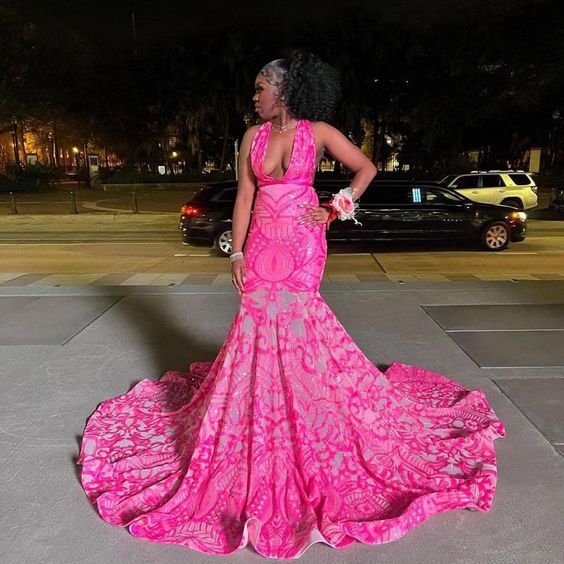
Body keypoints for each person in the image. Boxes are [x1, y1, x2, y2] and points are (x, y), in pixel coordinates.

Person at [77, 52, 505, 560]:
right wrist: (236, 252)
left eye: (260, 87)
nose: (254, 95)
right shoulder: (251, 138)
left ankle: (308, 411)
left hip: (302, 245)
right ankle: (262, 413)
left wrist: (334, 209)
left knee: (300, 325)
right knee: (256, 324)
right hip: (260, 244)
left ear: (284, 90)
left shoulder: (317, 132)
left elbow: (365, 168)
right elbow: (244, 197)